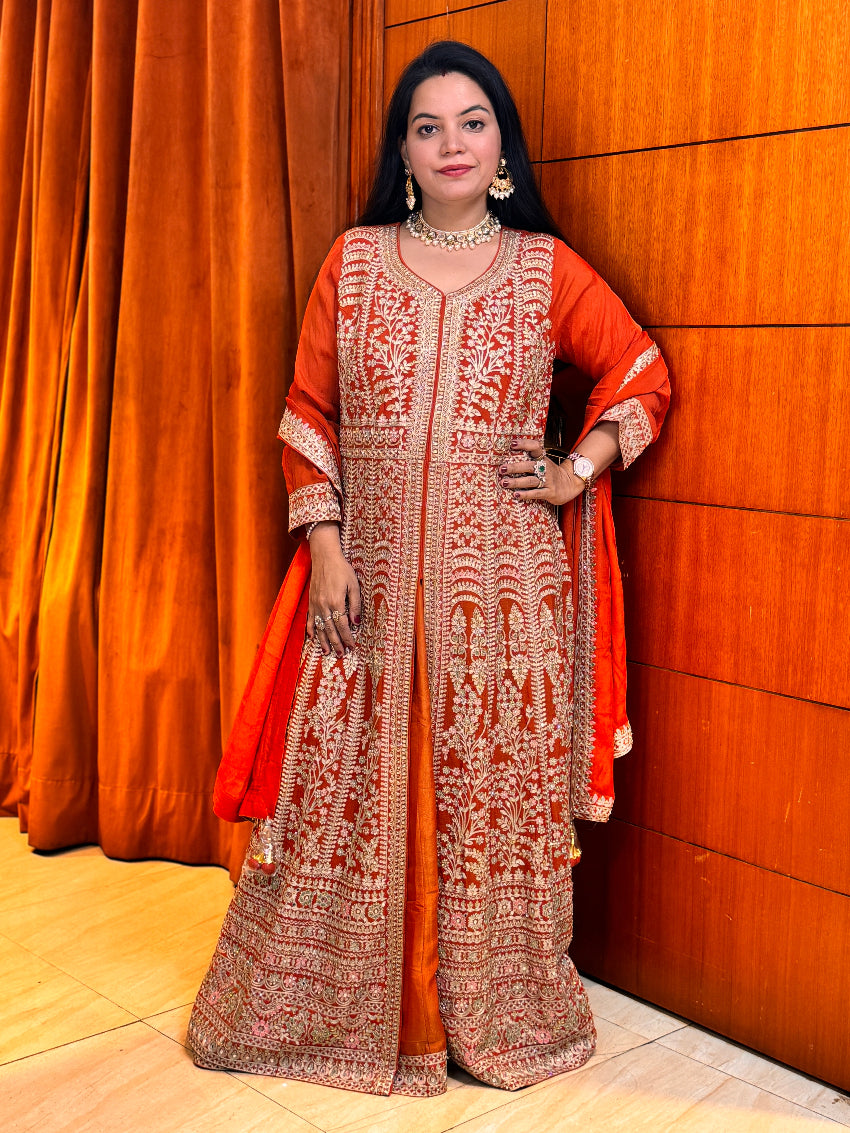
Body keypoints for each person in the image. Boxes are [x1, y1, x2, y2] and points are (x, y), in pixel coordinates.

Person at [187, 40, 670, 1098]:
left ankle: (487, 1017)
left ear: (501, 147)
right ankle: (326, 1012)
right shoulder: (352, 261)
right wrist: (321, 545)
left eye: (471, 122)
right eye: (427, 124)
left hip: (503, 601)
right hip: (363, 588)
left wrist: (571, 469)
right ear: (403, 151)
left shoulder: (546, 270)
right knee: (341, 792)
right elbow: (307, 413)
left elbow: (640, 369)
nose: (450, 141)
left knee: (486, 799)